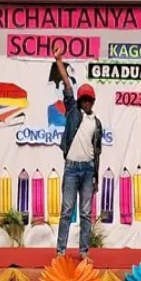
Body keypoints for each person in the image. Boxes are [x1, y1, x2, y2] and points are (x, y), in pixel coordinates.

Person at [53, 45, 103, 263]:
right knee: (66, 210)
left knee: (85, 213)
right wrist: (59, 61)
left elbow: (97, 153)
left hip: (88, 169)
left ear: (93, 101)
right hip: (72, 168)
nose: (86, 102)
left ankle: (84, 252)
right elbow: (67, 85)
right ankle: (60, 252)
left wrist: (96, 177)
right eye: (84, 99)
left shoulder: (97, 123)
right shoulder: (73, 112)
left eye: (89, 99)